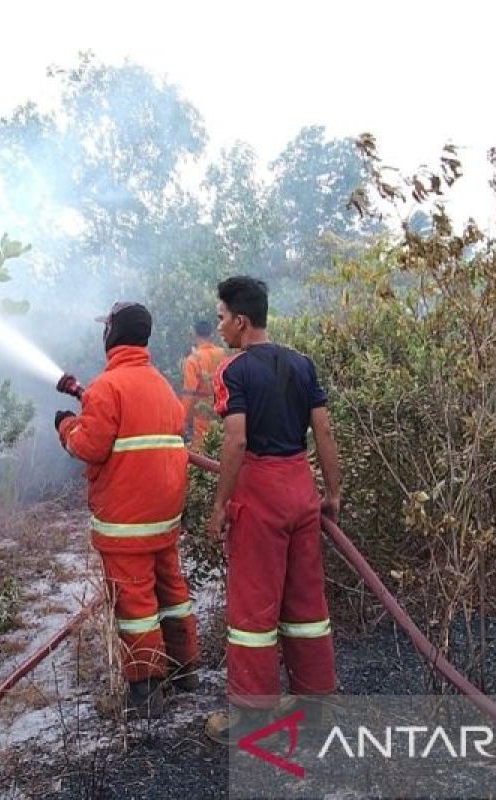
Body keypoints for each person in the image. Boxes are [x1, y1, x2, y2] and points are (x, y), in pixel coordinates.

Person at [202, 276, 343, 744]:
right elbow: (323, 433)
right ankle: (315, 702)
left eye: (222, 318)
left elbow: (237, 438)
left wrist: (221, 504)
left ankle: (252, 714)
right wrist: (333, 494)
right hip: (301, 489)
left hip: (259, 494)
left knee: (253, 611)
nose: (220, 327)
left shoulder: (234, 371)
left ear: (241, 321)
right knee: (306, 604)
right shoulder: (302, 364)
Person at [55, 301, 200, 716]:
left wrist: (66, 425)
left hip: (126, 522)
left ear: (112, 334)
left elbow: (89, 446)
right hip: (163, 518)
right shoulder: (160, 385)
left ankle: (148, 691)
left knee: (135, 605)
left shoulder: (108, 386)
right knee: (172, 591)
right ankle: (186, 671)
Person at [180, 320, 227, 450]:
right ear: (212, 335)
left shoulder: (193, 360)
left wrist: (183, 421)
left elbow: (189, 393)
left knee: (202, 457)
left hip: (202, 417)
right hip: (223, 415)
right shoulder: (224, 355)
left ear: (194, 334)